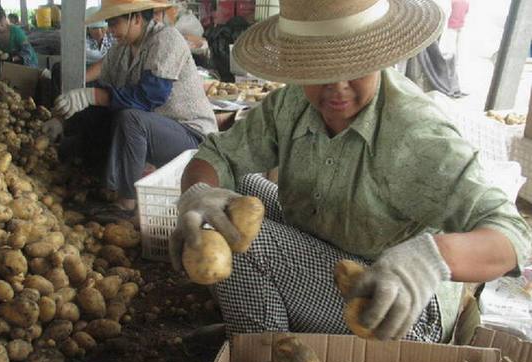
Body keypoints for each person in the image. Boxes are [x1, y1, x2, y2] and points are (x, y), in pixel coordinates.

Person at [169, 0, 531, 342]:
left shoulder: (416, 134)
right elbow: (219, 155)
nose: (337, 88)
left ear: (378, 55)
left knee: (246, 243)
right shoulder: (292, 103)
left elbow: (512, 236)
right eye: (320, 70)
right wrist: (197, 195)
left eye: (354, 67)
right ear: (299, 65)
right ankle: (279, 318)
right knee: (233, 197)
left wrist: (429, 258)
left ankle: (263, 355)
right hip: (329, 251)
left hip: (391, 309)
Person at [44, 0, 217, 215]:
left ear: (135, 19)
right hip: (152, 129)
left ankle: (126, 204)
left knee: (130, 118)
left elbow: (150, 97)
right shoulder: (121, 51)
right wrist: (62, 118)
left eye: (114, 23)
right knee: (94, 112)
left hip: (189, 134)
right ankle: (93, 180)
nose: (110, 29)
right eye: (108, 23)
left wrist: (93, 96)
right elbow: (102, 89)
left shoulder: (166, 39)